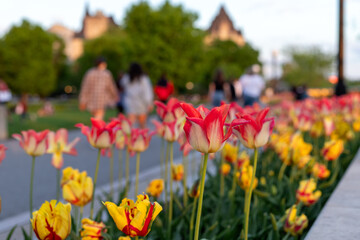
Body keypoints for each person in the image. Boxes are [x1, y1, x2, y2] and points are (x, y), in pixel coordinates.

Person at [120, 62, 153, 128]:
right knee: (142, 124)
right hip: (141, 103)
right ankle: (142, 138)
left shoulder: (126, 78)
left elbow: (121, 85)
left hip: (129, 102)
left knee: (130, 125)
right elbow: (147, 92)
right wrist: (149, 103)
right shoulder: (144, 79)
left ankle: (131, 138)